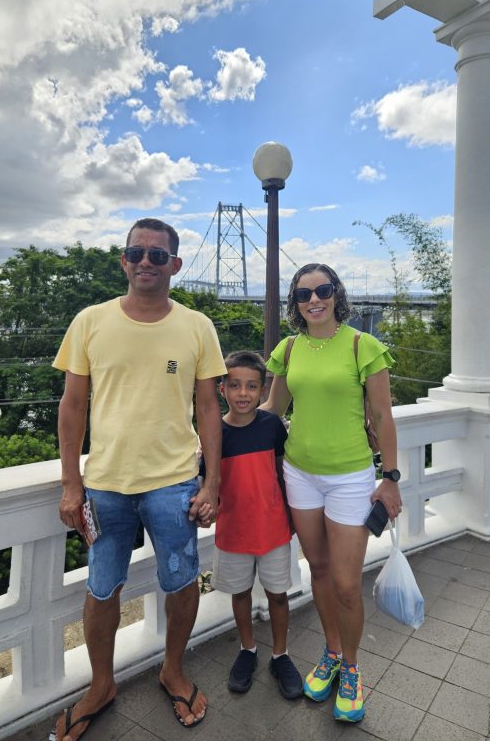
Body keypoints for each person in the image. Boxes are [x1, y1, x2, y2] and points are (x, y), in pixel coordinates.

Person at [50, 218, 227, 740]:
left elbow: (208, 408)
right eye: (136, 253)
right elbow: (73, 405)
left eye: (157, 255)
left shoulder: (198, 326)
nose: (146, 262)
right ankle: (101, 684)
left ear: (175, 264)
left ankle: (172, 669)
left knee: (181, 581)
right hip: (105, 484)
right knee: (102, 588)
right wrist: (69, 483)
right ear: (123, 262)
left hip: (174, 482)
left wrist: (211, 483)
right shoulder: (90, 321)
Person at [262, 263, 402, 723]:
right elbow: (273, 409)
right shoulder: (288, 349)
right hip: (299, 472)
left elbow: (382, 417)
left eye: (322, 290)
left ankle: (354, 669)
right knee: (318, 569)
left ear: (336, 294)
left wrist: (392, 477)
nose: (313, 300)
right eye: (303, 295)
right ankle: (332, 653)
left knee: (345, 584)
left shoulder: (364, 346)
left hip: (350, 477)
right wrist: (221, 431)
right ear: (295, 304)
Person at [201, 350, 303, 699]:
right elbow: (208, 483)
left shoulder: (271, 425)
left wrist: (291, 517)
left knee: (278, 595)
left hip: (273, 529)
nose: (243, 393)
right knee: (240, 594)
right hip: (232, 532)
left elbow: (281, 472)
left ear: (262, 391)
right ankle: (248, 649)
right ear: (222, 389)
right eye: (235, 385)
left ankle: (280, 654)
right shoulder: (214, 433)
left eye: (251, 386)